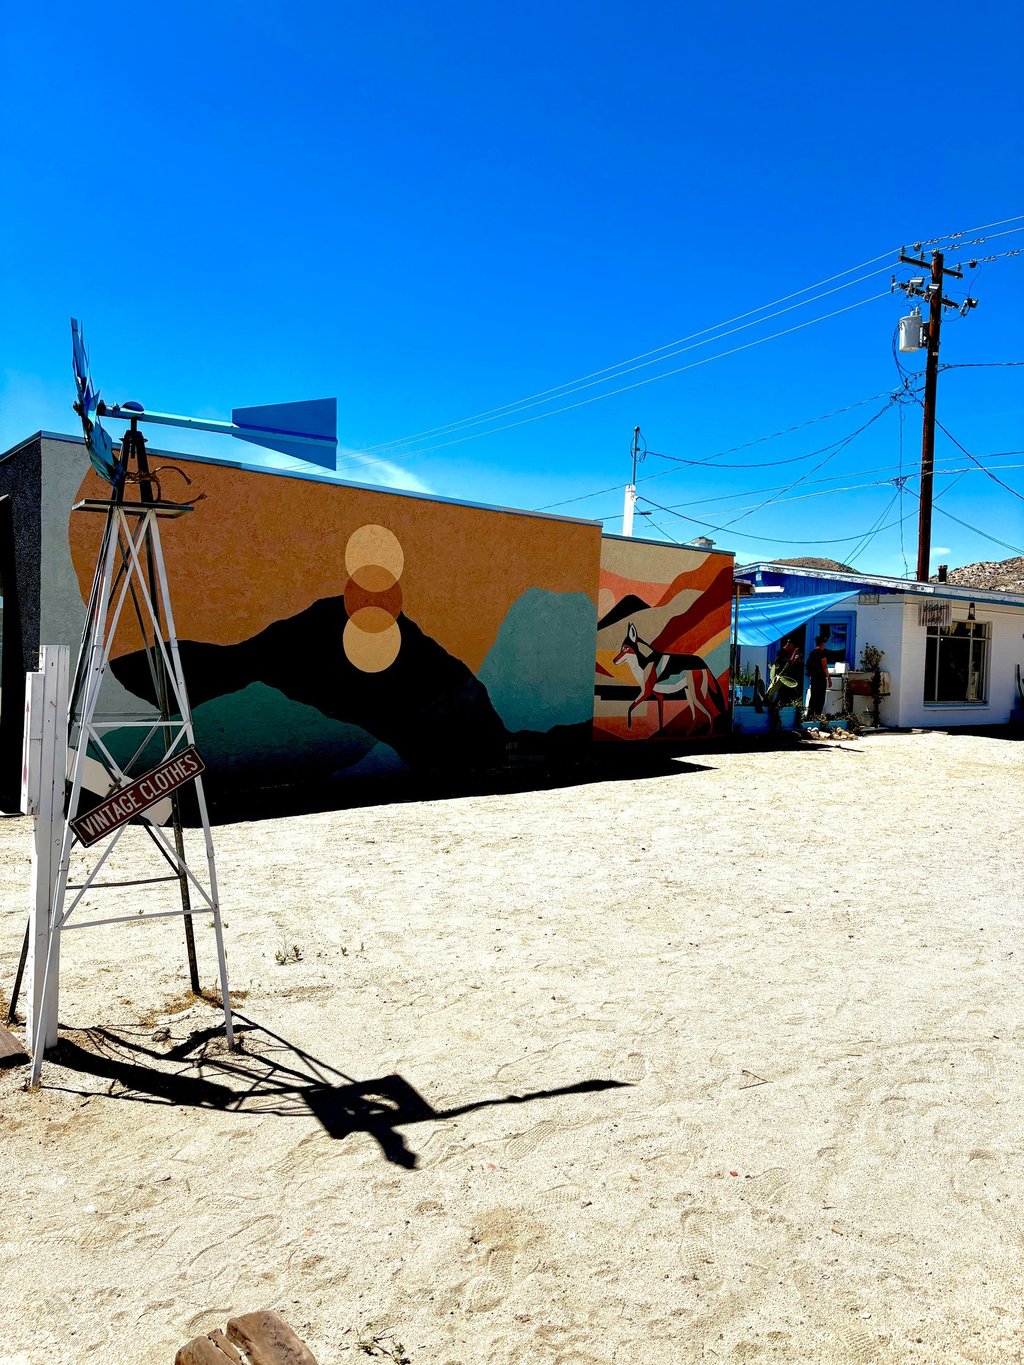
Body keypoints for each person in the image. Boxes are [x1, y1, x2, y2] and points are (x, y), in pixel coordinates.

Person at [805, 633, 830, 717]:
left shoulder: (812, 653)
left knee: (813, 697)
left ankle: (810, 715)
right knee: (820, 698)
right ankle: (818, 715)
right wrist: (829, 677)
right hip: (821, 678)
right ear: (822, 644)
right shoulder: (822, 653)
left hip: (814, 678)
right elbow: (824, 666)